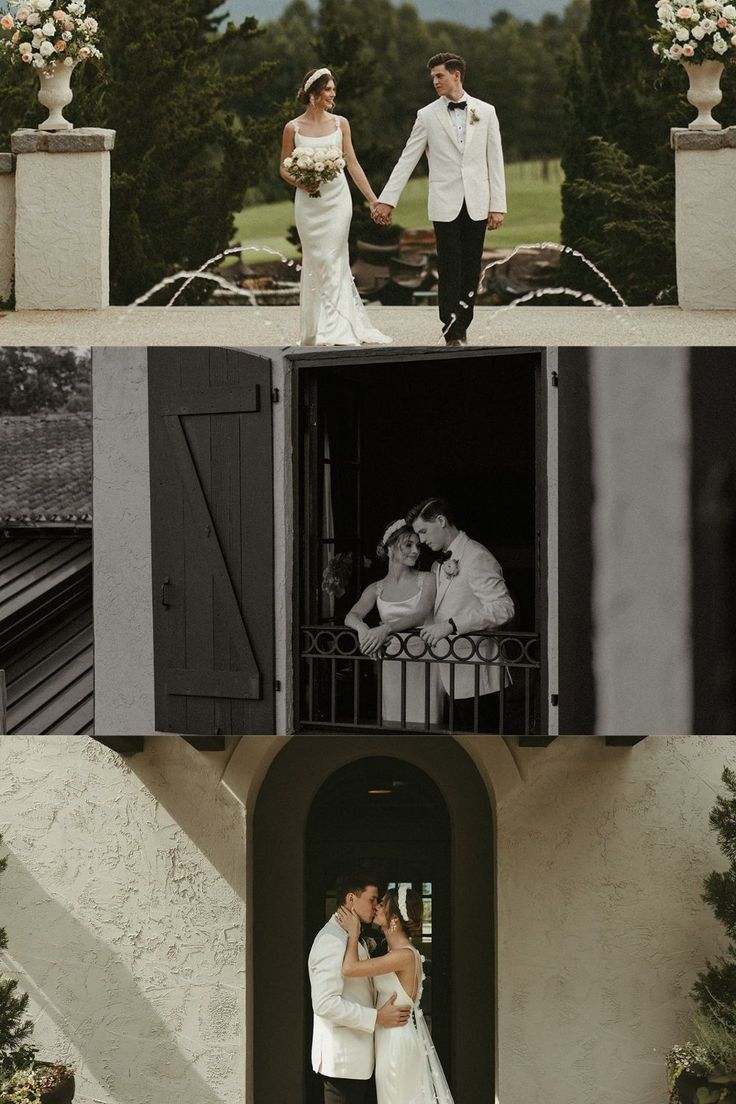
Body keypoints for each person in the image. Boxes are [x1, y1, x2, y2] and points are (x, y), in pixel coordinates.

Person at [372, 52, 506, 347]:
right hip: (444, 203)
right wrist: (387, 200)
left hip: (478, 201)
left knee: (472, 267)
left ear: (456, 75)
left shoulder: (486, 111)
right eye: (432, 77)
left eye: (439, 76)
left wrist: (498, 205)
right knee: (449, 264)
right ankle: (451, 328)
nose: (434, 81)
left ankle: (464, 321)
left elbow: (495, 160)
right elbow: (407, 159)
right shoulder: (426, 115)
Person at [280, 67, 393, 347]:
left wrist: (372, 198)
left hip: (337, 201)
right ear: (314, 94)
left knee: (333, 257)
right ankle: (314, 328)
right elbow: (284, 167)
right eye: (328, 89)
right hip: (308, 203)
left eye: (333, 89)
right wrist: (302, 182)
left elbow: (352, 163)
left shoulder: (340, 123)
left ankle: (337, 327)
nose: (333, 94)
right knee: (316, 259)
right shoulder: (292, 128)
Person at [337, 886, 454, 1104]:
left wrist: (354, 934)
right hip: (390, 1037)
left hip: (396, 1041)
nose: (376, 907)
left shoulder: (404, 956)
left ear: (395, 920)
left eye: (382, 905)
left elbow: (350, 969)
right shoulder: (396, 953)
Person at [406, 496, 514, 732]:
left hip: (478, 676)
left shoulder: (476, 556)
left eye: (424, 531)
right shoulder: (438, 565)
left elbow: (503, 607)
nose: (421, 540)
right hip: (449, 672)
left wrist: (452, 625)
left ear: (442, 521)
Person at [309, 873, 412, 1104]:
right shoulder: (331, 940)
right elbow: (325, 1004)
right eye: (372, 899)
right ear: (351, 899)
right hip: (343, 1062)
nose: (376, 906)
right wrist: (377, 1017)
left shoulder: (350, 937)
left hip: (358, 1061)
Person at [345, 520, 440, 728]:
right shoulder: (376, 588)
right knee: (394, 722)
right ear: (389, 548)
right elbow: (351, 615)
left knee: (427, 723)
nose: (415, 551)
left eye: (418, 545)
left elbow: (420, 614)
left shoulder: (428, 579)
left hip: (423, 660)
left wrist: (385, 629)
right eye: (408, 545)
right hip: (392, 662)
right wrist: (364, 630)